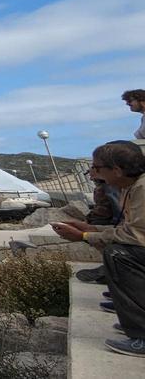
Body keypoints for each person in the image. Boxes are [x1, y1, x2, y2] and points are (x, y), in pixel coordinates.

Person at [51, 141, 145, 358]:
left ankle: (141, 332)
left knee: (118, 254)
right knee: (117, 251)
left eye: (97, 168)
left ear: (117, 170)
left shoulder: (141, 189)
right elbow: (131, 228)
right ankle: (133, 316)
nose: (93, 172)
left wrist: (84, 236)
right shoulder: (132, 187)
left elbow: (136, 236)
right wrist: (91, 228)